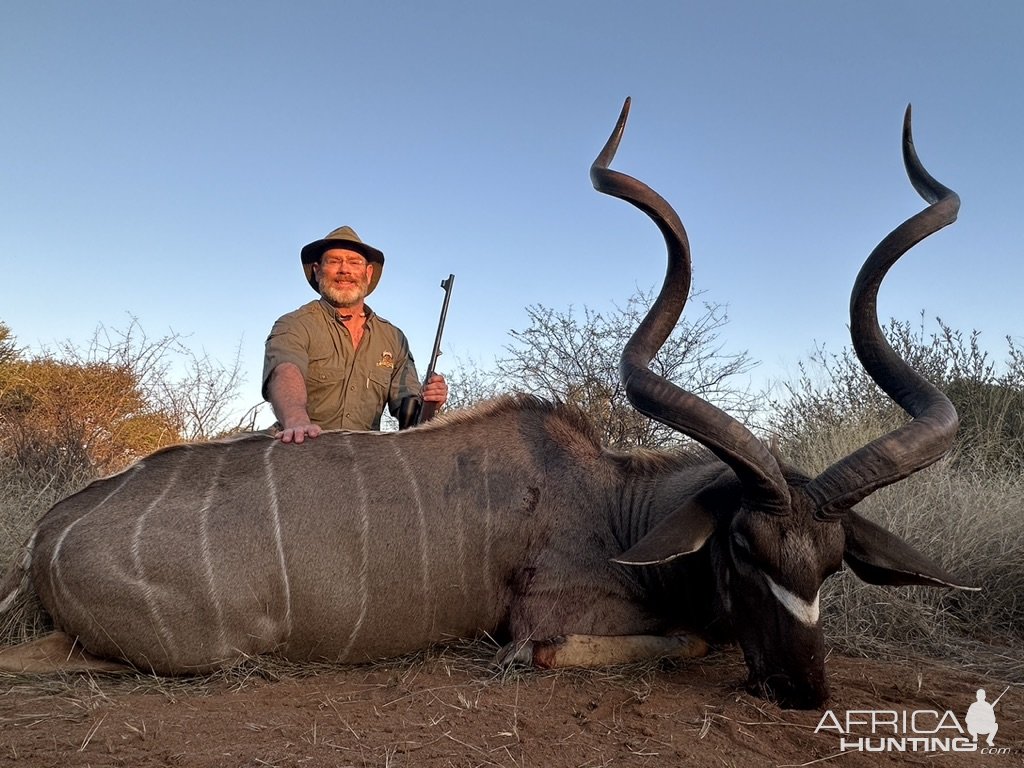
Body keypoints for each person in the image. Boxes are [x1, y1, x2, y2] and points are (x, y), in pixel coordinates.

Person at [263, 225, 448, 442]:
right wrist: (296, 421)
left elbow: (414, 423)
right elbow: (284, 371)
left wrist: (431, 404)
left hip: (363, 459)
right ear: (317, 270)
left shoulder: (393, 338)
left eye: (354, 262)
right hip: (306, 446)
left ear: (368, 273)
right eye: (334, 261)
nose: (344, 270)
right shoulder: (294, 324)